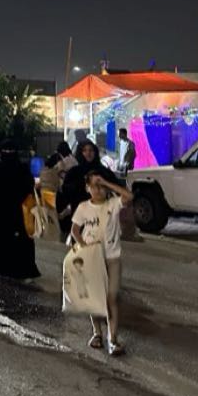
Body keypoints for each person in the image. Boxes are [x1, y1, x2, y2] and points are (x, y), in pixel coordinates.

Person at [71, 172, 134, 355]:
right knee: (95, 298)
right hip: (92, 259)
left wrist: (106, 182)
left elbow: (129, 196)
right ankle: (97, 333)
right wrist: (84, 247)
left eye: (101, 186)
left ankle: (112, 339)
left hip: (112, 257)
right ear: (87, 188)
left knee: (111, 297)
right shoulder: (83, 207)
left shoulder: (112, 204)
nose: (98, 189)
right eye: (94, 185)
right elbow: (75, 230)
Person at [0, 144, 40, 279]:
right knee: (19, 241)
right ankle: (21, 270)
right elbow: (29, 187)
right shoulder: (22, 168)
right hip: (17, 212)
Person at [58, 138, 117, 236]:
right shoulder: (74, 172)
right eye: (85, 150)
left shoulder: (103, 171)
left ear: (95, 152)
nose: (88, 153)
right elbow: (66, 191)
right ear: (80, 153)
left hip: (100, 213)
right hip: (80, 214)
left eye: (91, 150)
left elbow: (115, 186)